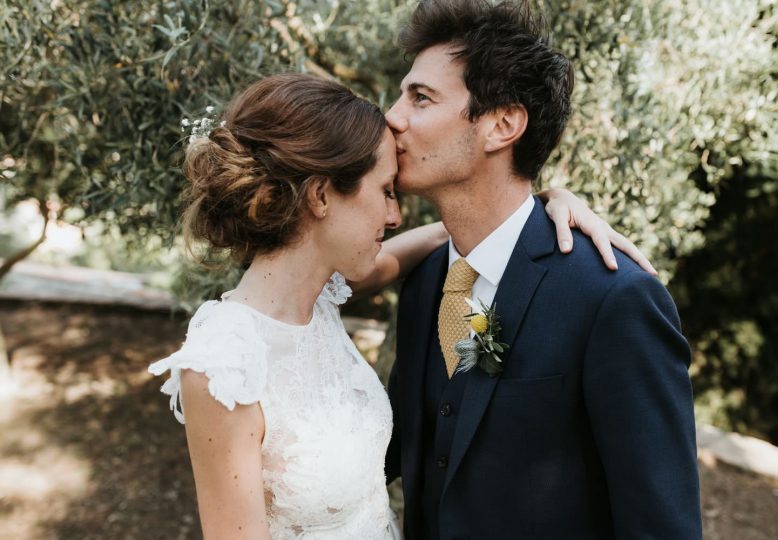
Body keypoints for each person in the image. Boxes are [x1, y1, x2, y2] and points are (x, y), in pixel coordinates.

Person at [148, 73, 654, 539]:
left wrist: (545, 204)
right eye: (386, 191)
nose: (393, 216)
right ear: (321, 196)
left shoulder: (322, 293)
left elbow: (473, 237)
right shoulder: (224, 364)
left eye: (422, 96)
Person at [383, 1, 702, 539]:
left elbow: (661, 527)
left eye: (420, 97)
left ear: (502, 125)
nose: (393, 115)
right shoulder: (424, 282)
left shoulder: (613, 298)